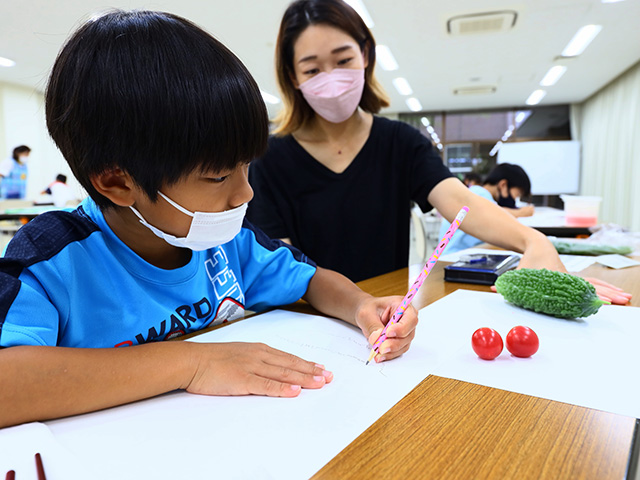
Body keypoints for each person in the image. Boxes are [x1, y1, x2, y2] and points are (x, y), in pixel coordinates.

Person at [0, 10, 419, 429]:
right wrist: (192, 363)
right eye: (217, 176)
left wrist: (363, 306)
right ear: (116, 181)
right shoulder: (51, 258)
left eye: (246, 167)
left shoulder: (227, 240)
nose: (245, 193)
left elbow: (310, 278)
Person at [247, 0, 631, 305]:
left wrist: (535, 242)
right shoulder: (270, 158)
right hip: (309, 314)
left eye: (343, 60)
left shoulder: (400, 142)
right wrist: (349, 305)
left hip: (390, 311)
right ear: (292, 77)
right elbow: (280, 264)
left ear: (365, 54)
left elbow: (461, 202)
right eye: (312, 70)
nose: (330, 78)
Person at [438, 163, 536, 253]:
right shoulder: (479, 194)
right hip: (452, 257)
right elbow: (494, 214)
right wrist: (521, 212)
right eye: (517, 194)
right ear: (503, 185)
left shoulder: (479, 194)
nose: (515, 199)